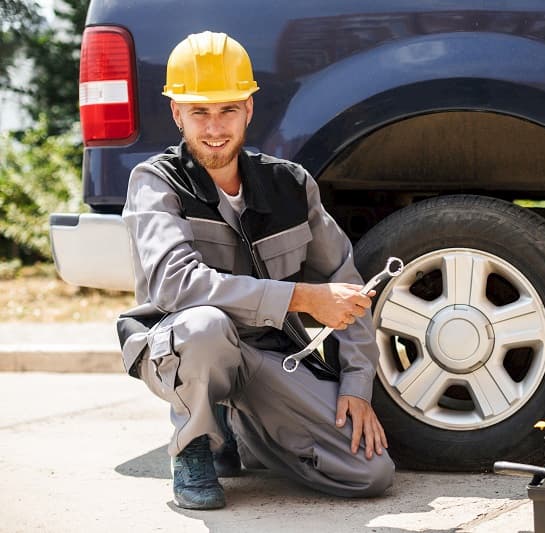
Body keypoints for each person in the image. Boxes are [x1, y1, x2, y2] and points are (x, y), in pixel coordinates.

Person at [116, 31, 394, 510]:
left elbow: (346, 285)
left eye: (227, 110)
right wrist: (302, 300)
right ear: (176, 113)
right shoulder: (155, 183)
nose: (214, 128)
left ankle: (243, 431)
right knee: (206, 325)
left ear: (248, 108)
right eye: (199, 111)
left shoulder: (291, 185)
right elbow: (176, 283)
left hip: (269, 353)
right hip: (185, 349)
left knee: (369, 472)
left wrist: (355, 384)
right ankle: (195, 446)